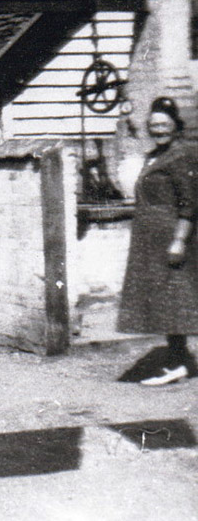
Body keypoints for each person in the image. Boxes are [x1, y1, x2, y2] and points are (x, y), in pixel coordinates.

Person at [117, 96, 198, 385]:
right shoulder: (154, 155)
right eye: (153, 125)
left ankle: (177, 363)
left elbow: (189, 204)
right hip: (150, 239)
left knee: (174, 298)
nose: (158, 129)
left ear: (176, 126)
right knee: (166, 300)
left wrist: (179, 240)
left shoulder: (183, 154)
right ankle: (180, 359)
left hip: (171, 236)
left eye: (164, 124)